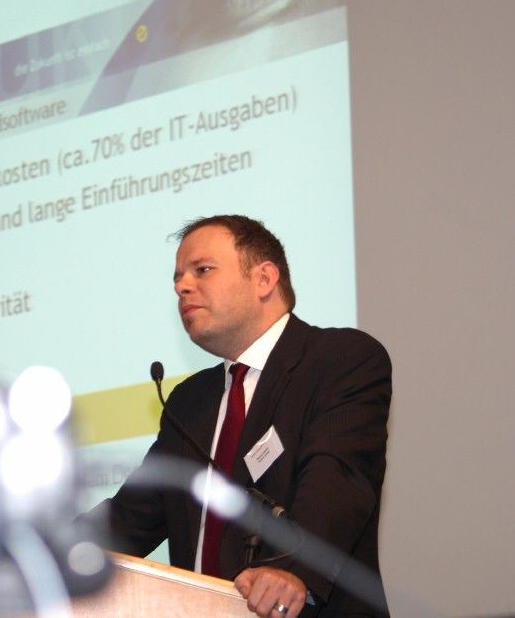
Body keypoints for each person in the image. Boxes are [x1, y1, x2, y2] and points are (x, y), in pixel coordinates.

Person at [87, 215, 391, 617]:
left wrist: (292, 570)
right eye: (178, 278)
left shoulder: (339, 360)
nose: (182, 286)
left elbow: (336, 481)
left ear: (264, 279)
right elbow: (131, 517)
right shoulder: (189, 400)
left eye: (202, 270)